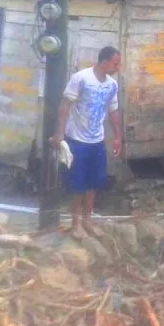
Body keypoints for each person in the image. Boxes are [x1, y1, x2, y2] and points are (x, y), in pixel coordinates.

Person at [49, 46, 123, 240]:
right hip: (77, 139)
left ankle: (87, 220)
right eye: (115, 64)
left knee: (94, 182)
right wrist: (59, 133)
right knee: (78, 183)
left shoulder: (112, 85)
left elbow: (113, 112)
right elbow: (65, 105)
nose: (117, 68)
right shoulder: (81, 78)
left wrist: (117, 137)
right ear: (104, 61)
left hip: (97, 140)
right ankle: (76, 225)